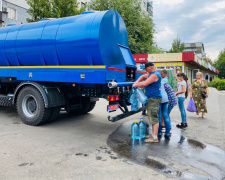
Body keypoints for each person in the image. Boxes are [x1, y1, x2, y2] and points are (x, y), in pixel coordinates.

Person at [133, 62, 162, 143]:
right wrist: (137, 81)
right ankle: (153, 134)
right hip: (151, 98)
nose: (146, 71)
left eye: (146, 69)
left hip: (154, 99)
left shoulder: (154, 75)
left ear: (149, 67)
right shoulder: (151, 74)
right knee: (151, 117)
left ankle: (154, 137)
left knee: (153, 117)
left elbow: (144, 84)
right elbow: (142, 76)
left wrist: (136, 85)